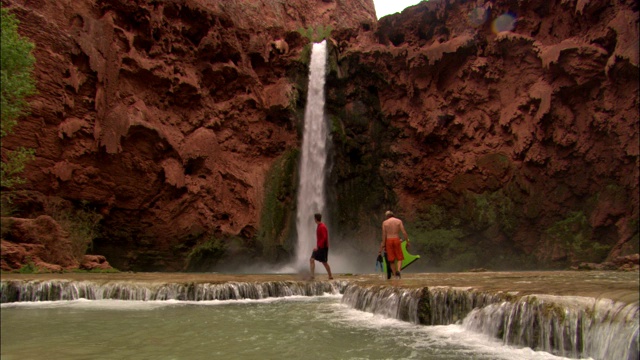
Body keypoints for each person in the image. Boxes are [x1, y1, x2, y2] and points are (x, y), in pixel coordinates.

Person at [379, 210, 409, 279]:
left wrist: (383, 244)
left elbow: (384, 234)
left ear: (387, 216)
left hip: (389, 240)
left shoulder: (385, 223)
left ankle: (395, 275)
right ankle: (398, 270)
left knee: (391, 260)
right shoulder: (398, 221)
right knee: (399, 258)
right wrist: (407, 241)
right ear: (393, 215)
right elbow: (404, 232)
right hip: (396, 239)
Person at [310, 213, 333, 280]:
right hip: (320, 247)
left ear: (316, 219)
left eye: (314, 218)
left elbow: (324, 238)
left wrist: (318, 247)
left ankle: (330, 275)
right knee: (311, 259)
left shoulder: (322, 226)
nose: (314, 219)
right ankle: (312, 276)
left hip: (323, 247)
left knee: (324, 262)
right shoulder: (319, 226)